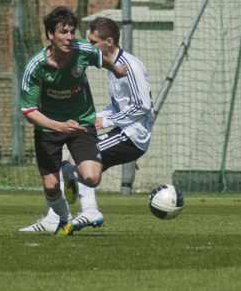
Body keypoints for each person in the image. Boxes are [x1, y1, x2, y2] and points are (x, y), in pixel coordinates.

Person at [21, 16, 153, 233]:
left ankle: (89, 210)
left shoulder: (130, 66)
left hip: (133, 135)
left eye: (93, 42)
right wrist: (98, 115)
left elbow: (142, 106)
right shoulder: (114, 66)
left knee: (75, 161)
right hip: (123, 129)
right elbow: (119, 106)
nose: (87, 45)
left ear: (108, 42)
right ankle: (58, 216)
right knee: (75, 163)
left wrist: (107, 120)